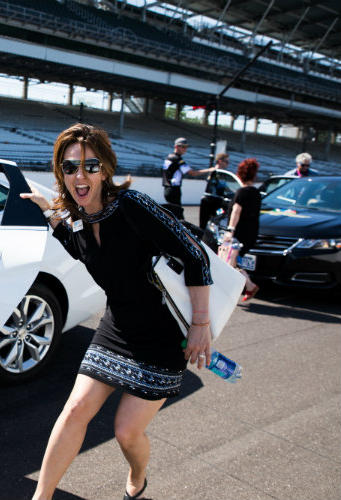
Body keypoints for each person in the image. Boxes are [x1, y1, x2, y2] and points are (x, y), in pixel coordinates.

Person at [21, 123, 213, 500]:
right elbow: (79, 247)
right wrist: (50, 212)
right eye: (70, 166)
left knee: (126, 432)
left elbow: (194, 255)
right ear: (60, 171)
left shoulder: (131, 206)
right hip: (116, 326)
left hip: (161, 336)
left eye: (91, 166)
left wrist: (200, 324)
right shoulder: (77, 216)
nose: (81, 175)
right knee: (75, 409)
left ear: (105, 170)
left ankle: (137, 479)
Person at [223, 158, 261, 301]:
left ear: (239, 175)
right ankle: (249, 286)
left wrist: (230, 230)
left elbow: (236, 211)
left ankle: (241, 289)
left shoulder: (241, 192)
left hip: (239, 233)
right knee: (234, 262)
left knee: (230, 263)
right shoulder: (256, 193)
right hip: (251, 233)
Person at [162, 137, 215, 206]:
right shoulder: (176, 159)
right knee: (178, 214)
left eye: (186, 147)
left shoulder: (170, 157)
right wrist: (209, 170)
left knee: (173, 214)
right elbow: (192, 173)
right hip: (173, 190)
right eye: (183, 147)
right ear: (176, 146)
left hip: (169, 189)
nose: (185, 149)